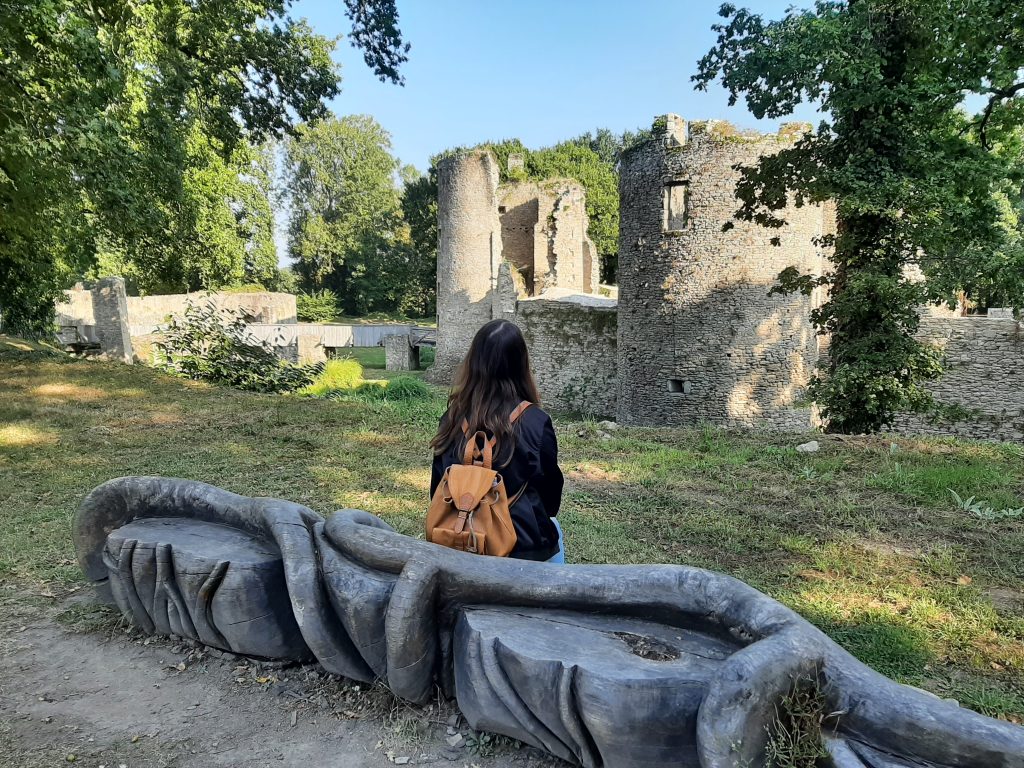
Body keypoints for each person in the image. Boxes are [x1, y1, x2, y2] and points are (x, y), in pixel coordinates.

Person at [430, 319, 565, 562]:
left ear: (473, 361)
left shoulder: (451, 418)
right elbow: (550, 496)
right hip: (524, 548)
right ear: (521, 364)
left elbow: (438, 489)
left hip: (458, 540)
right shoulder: (536, 421)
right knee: (555, 531)